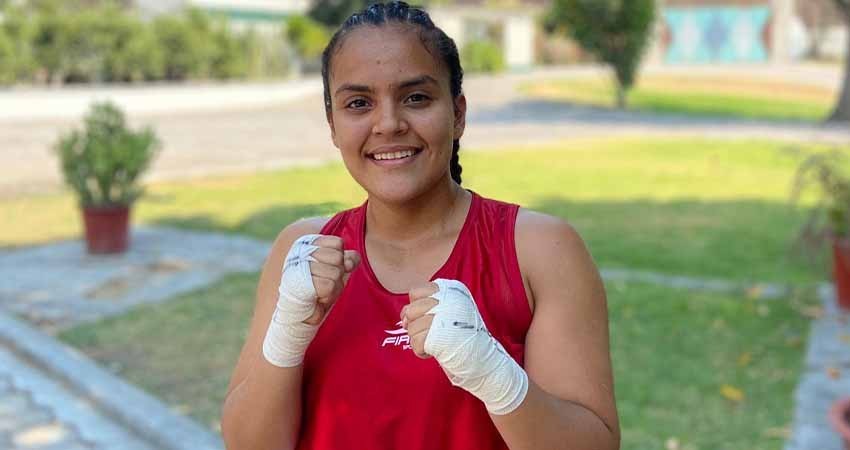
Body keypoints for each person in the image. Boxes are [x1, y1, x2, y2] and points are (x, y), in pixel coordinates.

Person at [220, 2, 619, 449]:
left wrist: (493, 374)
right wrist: (289, 330)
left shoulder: (540, 249)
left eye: (416, 97)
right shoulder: (303, 251)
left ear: (459, 114)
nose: (388, 123)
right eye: (358, 103)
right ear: (333, 126)